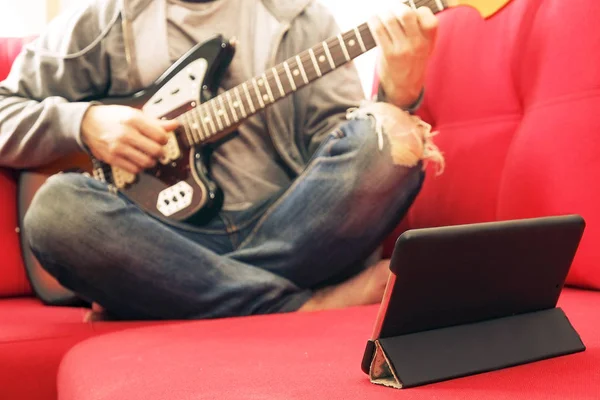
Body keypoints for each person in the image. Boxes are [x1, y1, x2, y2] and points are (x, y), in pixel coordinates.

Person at [0, 0, 441, 320]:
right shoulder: (100, 21)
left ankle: (180, 293)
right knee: (56, 212)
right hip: (159, 239)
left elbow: (341, 147)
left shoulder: (300, 16)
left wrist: (397, 97)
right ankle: (298, 305)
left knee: (390, 141)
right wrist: (84, 123)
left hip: (292, 227)